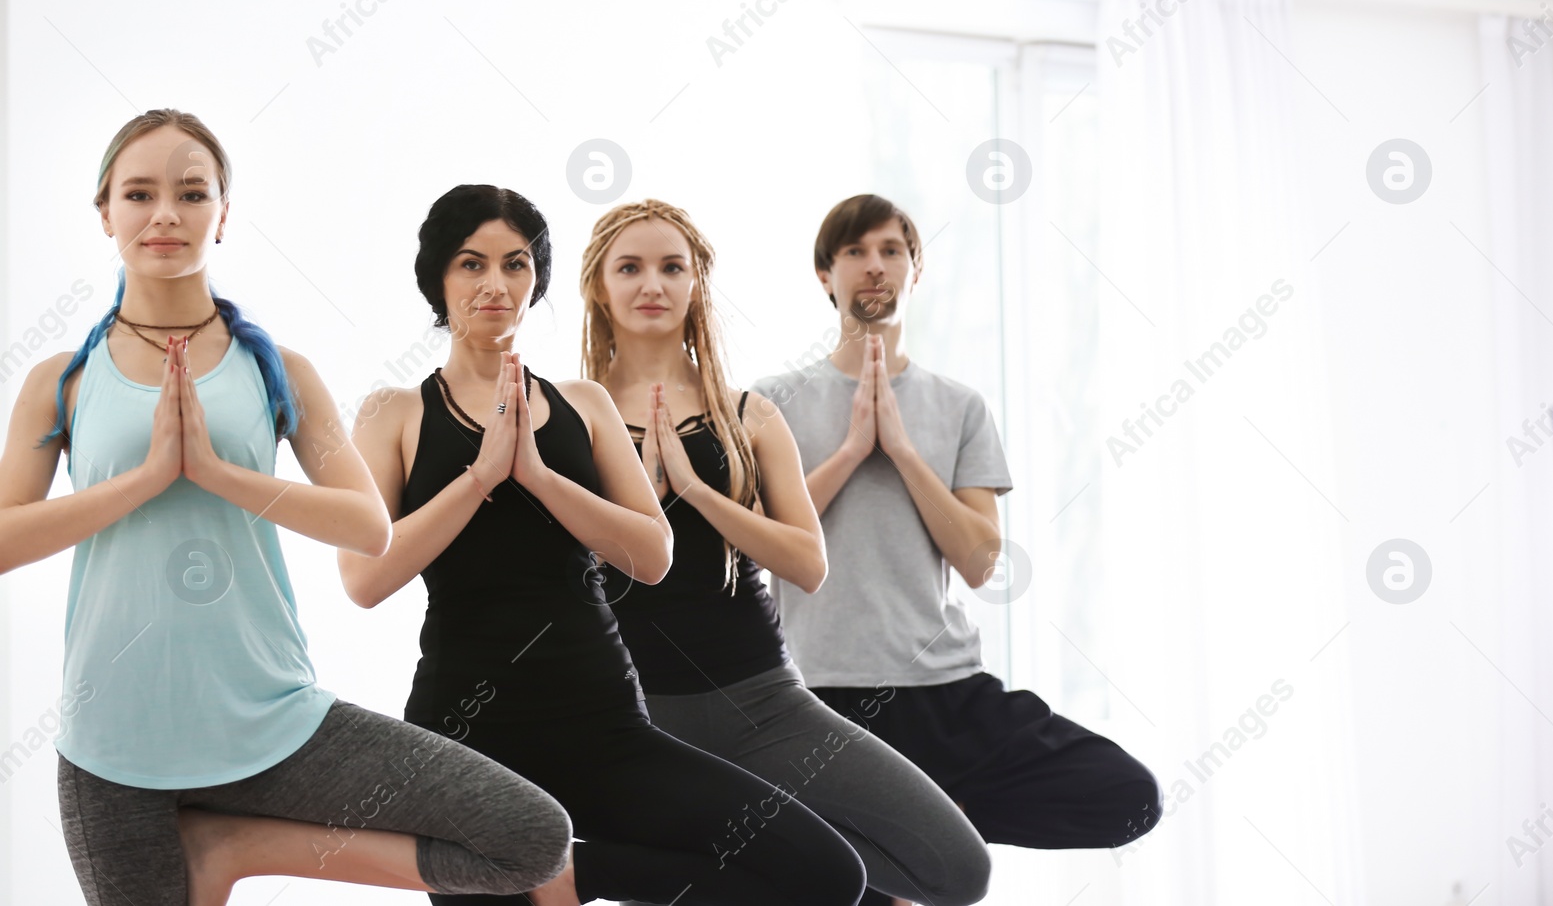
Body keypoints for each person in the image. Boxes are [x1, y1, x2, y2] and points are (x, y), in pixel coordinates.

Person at [0, 110, 576, 904]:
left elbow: (367, 524)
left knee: (529, 836)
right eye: (139, 193)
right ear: (106, 212)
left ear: (223, 214)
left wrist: (216, 472)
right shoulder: (61, 380)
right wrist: (141, 481)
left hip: (275, 722)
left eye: (192, 193)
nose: (166, 213)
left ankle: (235, 843)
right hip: (113, 751)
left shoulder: (280, 371)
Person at [339, 184, 867, 906]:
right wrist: (482, 476)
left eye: (516, 264)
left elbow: (651, 554)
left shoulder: (583, 405)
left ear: (538, 280)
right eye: (471, 264)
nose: (496, 284)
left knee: (825, 874)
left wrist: (539, 477)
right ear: (438, 277)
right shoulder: (394, 412)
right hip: (464, 740)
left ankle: (581, 872)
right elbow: (364, 578)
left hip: (602, 726)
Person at [576, 198, 993, 906]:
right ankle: (592, 869)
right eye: (631, 267)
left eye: (672, 267)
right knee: (804, 881)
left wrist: (699, 494)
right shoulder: (566, 413)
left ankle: (624, 864)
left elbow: (807, 560)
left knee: (957, 869)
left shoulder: (750, 414)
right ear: (599, 286)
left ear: (696, 284)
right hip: (635, 716)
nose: (653, 284)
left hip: (763, 701)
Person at [751, 194, 1164, 906]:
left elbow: (979, 561)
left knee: (1130, 795)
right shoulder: (772, 400)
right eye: (854, 251)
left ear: (917, 270)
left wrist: (904, 450)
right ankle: (902, 838)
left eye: (891, 250)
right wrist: (852, 449)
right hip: (819, 695)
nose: (874, 266)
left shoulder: (960, 405)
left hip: (945, 691)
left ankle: (935, 824)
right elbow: (756, 544)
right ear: (826, 274)